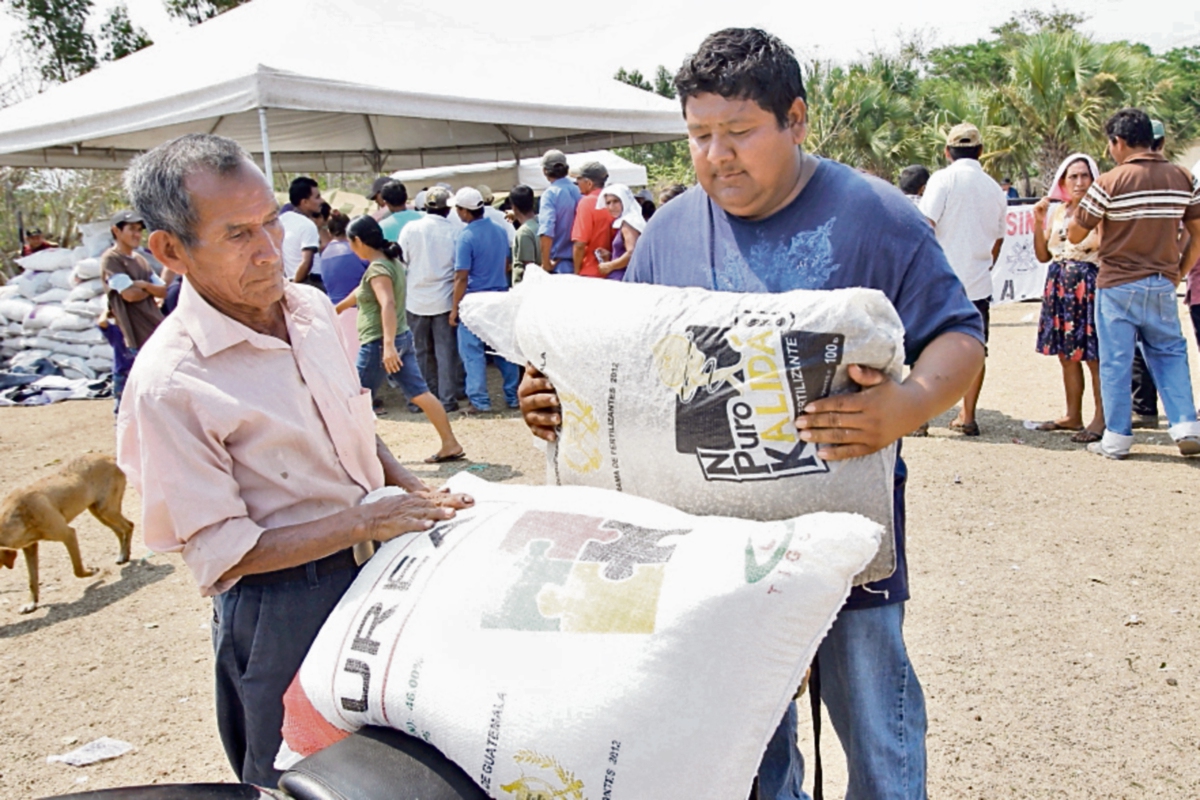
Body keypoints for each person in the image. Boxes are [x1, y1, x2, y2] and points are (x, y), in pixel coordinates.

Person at [519, 28, 984, 800]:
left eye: (739, 133)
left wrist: (904, 404)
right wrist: (553, 397)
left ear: (795, 119)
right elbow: (624, 361)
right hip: (712, 543)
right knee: (742, 728)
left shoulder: (875, 216)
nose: (716, 157)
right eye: (700, 136)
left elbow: (958, 335)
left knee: (874, 715)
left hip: (845, 532)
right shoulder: (668, 231)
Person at [116, 133, 472, 787]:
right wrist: (366, 522)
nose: (267, 251)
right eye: (236, 235)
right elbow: (226, 551)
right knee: (302, 776)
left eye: (271, 225)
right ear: (170, 250)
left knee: (399, 765)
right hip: (284, 606)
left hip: (380, 572)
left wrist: (408, 488)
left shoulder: (305, 307)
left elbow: (349, 425)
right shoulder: (171, 383)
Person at [1069, 108, 1200, 459]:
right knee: (1170, 352)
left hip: (1117, 284)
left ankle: (1117, 436)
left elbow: (1076, 231)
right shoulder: (1182, 177)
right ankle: (1186, 424)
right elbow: (1196, 232)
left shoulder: (1110, 181)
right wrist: (1179, 270)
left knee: (1116, 359)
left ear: (1119, 142)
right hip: (1161, 280)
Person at [333, 215, 465, 461]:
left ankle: (352, 456)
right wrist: (338, 309)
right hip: (399, 338)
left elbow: (388, 304)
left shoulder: (378, 268)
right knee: (420, 393)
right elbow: (364, 292)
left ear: (359, 241)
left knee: (353, 399)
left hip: (379, 343)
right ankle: (450, 443)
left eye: (351, 243)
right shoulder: (389, 262)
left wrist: (388, 346)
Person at [919, 122, 1007, 436]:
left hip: (938, 282)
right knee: (975, 349)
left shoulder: (941, 180)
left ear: (947, 151)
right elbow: (998, 241)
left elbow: (925, 227)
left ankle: (922, 417)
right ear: (981, 152)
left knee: (926, 347)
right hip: (977, 284)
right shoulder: (994, 188)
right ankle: (967, 415)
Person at [1030, 154, 1105, 443]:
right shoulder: (1059, 212)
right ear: (1063, 181)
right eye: (1072, 177)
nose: (1079, 182)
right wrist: (1038, 223)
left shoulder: (1097, 211)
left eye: (1084, 176)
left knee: (1093, 356)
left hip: (1087, 285)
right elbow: (1042, 254)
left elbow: (1101, 243)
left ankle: (1101, 416)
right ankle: (1073, 414)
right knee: (1066, 355)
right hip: (1059, 284)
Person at [450, 187, 521, 412]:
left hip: (474, 300)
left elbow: (461, 276)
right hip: (499, 296)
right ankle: (513, 396)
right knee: (504, 350)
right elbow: (508, 263)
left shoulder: (466, 236)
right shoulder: (500, 230)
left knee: (473, 353)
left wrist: (454, 309)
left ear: (465, 211)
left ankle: (479, 401)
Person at [397, 186, 463, 412]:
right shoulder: (455, 232)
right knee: (445, 352)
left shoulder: (410, 229)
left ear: (425, 206)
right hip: (444, 300)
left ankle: (420, 400)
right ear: (447, 209)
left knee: (419, 353)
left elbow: (402, 261)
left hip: (416, 299)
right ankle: (447, 399)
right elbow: (458, 270)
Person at [101, 209, 165, 412]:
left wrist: (142, 285)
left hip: (153, 330)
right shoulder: (112, 260)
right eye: (132, 229)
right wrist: (145, 288)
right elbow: (129, 295)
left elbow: (162, 290)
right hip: (131, 335)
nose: (137, 234)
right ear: (116, 231)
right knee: (127, 392)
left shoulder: (141, 260)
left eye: (139, 230)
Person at [321, 210, 369, 366]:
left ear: (329, 232)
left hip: (335, 310)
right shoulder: (357, 251)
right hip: (359, 308)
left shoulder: (325, 253)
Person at [537, 149, 581, 274]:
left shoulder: (550, 194)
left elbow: (547, 230)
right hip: (582, 262)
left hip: (559, 266)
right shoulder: (580, 191)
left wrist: (546, 263)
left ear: (545, 170)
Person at [569, 161, 615, 278]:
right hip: (613, 270)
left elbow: (579, 244)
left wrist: (576, 272)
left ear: (589, 183)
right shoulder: (614, 201)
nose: (576, 183)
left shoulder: (587, 202)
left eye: (578, 180)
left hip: (591, 271)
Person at [595, 183, 645, 281]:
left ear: (624, 201)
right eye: (608, 203)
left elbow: (632, 252)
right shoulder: (633, 220)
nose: (611, 207)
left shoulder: (628, 222)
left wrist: (610, 265)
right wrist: (611, 255)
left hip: (623, 278)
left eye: (616, 201)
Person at [281, 177, 322, 282]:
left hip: (289, 279)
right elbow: (306, 262)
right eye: (317, 197)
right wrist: (296, 286)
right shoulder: (307, 225)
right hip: (310, 281)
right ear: (305, 202)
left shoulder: (282, 220)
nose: (321, 201)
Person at [509, 184, 540, 285]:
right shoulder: (541, 223)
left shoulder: (524, 232)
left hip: (526, 288)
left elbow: (528, 267)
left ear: (514, 207)